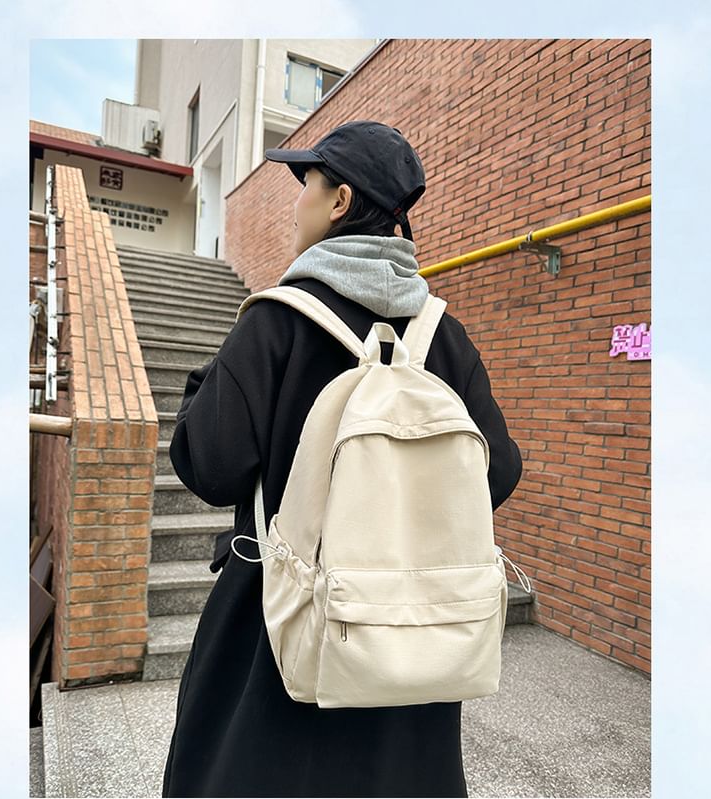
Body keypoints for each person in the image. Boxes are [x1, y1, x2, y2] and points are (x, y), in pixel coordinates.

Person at [161, 120, 523, 798]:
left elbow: (207, 462)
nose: (296, 202)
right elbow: (498, 471)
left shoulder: (276, 320)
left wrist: (207, 384)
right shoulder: (444, 337)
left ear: (340, 201)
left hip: (278, 637)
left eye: (307, 184)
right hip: (407, 648)